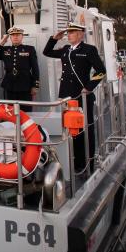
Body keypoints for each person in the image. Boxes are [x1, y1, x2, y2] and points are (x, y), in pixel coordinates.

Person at [43, 22, 106, 173]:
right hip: (66, 97)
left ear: (80, 34)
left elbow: (101, 71)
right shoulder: (65, 49)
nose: (68, 35)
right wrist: (54, 38)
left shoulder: (89, 50)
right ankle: (75, 162)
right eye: (68, 32)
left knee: (85, 131)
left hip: (81, 96)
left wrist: (89, 88)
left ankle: (87, 164)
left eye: (72, 32)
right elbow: (47, 52)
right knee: (71, 131)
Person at [0, 26, 40, 112]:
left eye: (18, 35)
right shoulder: (5, 49)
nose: (15, 37)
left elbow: (35, 68)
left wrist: (35, 85)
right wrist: (1, 42)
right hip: (9, 84)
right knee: (10, 110)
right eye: (13, 35)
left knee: (26, 110)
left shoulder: (29, 49)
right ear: (10, 37)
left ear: (22, 36)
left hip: (25, 84)